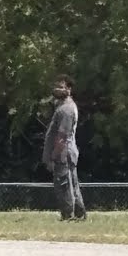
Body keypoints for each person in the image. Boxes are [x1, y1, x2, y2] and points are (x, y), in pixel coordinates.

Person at [42, 76, 85, 221]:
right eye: (55, 86)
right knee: (72, 183)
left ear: (68, 89)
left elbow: (62, 136)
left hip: (64, 153)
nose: (57, 89)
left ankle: (68, 215)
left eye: (60, 87)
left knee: (64, 185)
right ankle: (79, 214)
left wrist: (53, 156)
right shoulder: (62, 107)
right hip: (67, 151)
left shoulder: (66, 110)